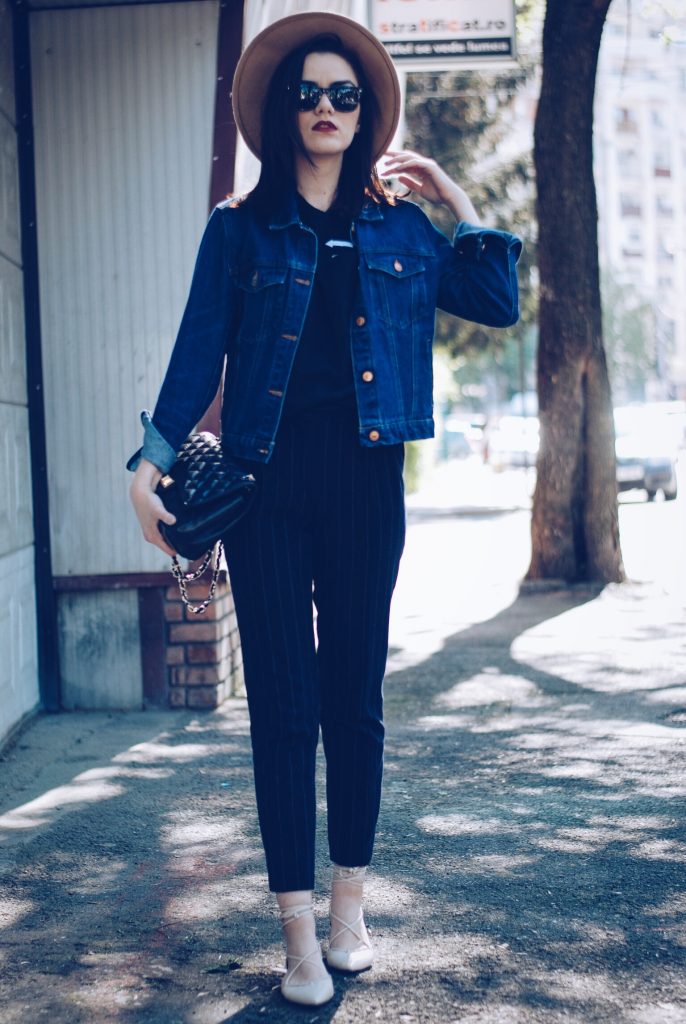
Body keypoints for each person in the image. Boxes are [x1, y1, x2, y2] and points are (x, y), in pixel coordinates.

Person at [128, 11, 522, 1007]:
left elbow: (493, 296)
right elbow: (196, 349)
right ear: (279, 108)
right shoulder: (239, 229)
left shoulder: (397, 227)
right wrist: (150, 458)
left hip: (363, 483)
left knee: (352, 699)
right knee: (282, 709)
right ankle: (296, 930)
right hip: (264, 487)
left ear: (366, 112)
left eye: (343, 94)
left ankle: (351, 904)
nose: (324, 108)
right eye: (306, 92)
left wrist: (450, 194)